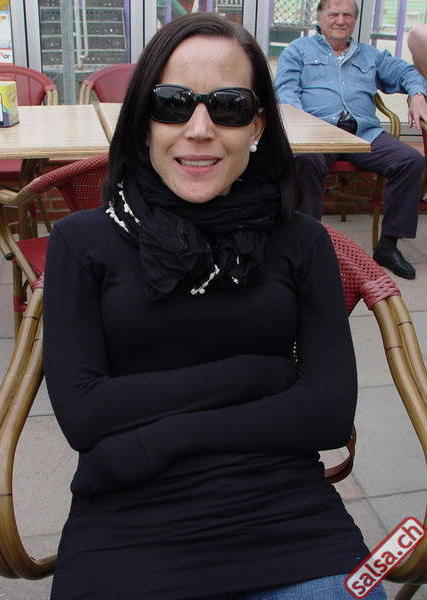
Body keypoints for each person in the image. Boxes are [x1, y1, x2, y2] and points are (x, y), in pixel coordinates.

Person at [44, 13, 387, 600]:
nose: (199, 129)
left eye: (228, 106)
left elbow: (328, 414)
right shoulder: (81, 241)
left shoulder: (302, 240)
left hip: (288, 521)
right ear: (143, 121)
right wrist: (259, 375)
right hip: (128, 527)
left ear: (257, 124)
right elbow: (84, 414)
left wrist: (157, 440)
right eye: (173, 104)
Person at [275, 0, 427, 280]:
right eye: (333, 14)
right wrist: (302, 126)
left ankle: (388, 245)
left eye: (347, 15)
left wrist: (417, 95)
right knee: (304, 160)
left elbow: (408, 72)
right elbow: (286, 93)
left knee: (411, 161)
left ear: (355, 21)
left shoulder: (370, 55)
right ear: (320, 17)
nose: (340, 20)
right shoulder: (298, 50)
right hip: (317, 132)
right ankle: (307, 244)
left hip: (363, 132)